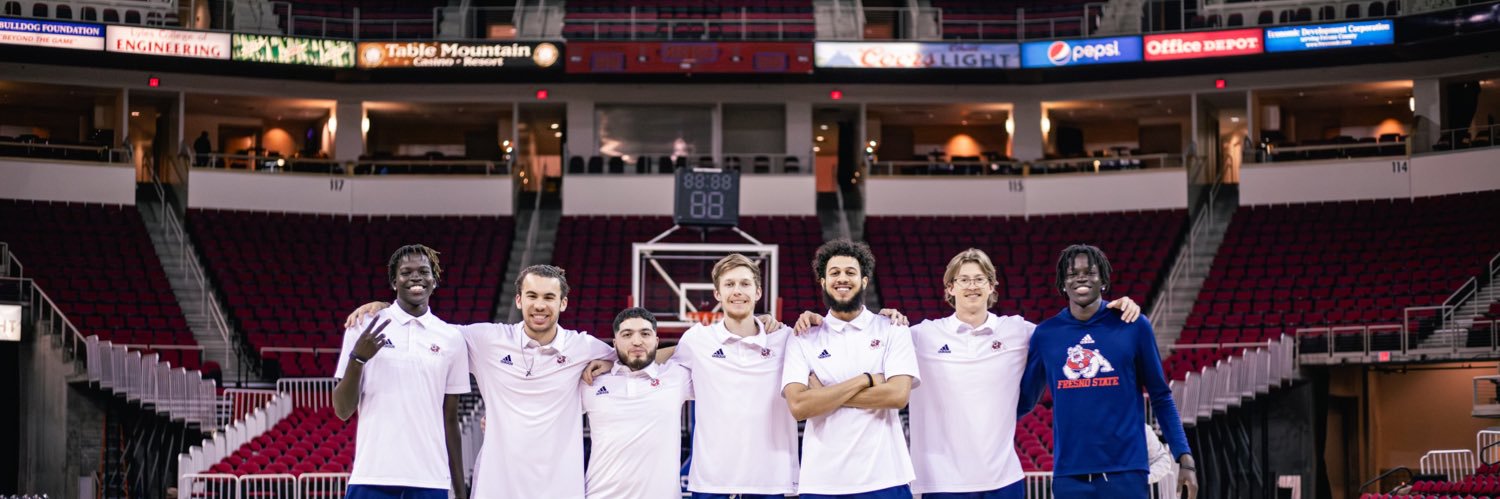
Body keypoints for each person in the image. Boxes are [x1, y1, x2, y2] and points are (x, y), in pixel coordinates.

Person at [793, 248, 1139, 499]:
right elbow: (860, 332)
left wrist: (1112, 309)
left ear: (992, 287)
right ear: (949, 289)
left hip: (1004, 480)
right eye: (963, 279)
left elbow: (1072, 332)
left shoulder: (1020, 331)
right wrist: (809, 320)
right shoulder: (918, 334)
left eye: (980, 279)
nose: (972, 286)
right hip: (941, 483)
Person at [346, 264, 617, 499]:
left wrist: (610, 361)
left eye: (549, 297)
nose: (540, 305)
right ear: (519, 300)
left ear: (563, 303)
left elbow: (645, 356)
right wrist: (389, 308)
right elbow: (427, 328)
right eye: (532, 295)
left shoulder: (585, 347)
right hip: (495, 486)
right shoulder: (488, 340)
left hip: (560, 488)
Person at [1019, 244, 1197, 499]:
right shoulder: (1046, 335)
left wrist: (1185, 457)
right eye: (1072, 273)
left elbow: (1160, 396)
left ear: (1103, 279)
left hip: (1126, 474)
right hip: (1070, 478)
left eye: (1089, 272)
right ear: (1062, 283)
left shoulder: (1133, 325)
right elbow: (1024, 401)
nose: (1081, 277)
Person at [781, 239, 919, 499]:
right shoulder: (802, 336)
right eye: (834, 273)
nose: (842, 278)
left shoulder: (893, 329)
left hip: (886, 477)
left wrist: (824, 396)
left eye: (850, 272)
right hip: (822, 482)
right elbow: (799, 407)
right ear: (822, 282)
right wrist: (867, 379)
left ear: (864, 281)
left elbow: (898, 396)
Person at [333, 244, 469, 499]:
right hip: (372, 475)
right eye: (406, 272)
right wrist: (357, 359)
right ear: (394, 282)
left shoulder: (452, 338)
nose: (415, 277)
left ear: (434, 280)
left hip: (430, 479)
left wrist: (461, 492)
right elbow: (342, 410)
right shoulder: (363, 324)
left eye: (423, 271)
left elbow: (450, 420)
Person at [661, 254, 799, 498]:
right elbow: (649, 361)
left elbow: (828, 343)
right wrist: (610, 359)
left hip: (770, 479)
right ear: (717, 294)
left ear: (758, 292)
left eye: (745, 284)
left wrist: (885, 319)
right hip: (712, 480)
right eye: (729, 284)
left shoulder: (786, 339)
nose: (737, 291)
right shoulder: (696, 340)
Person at [580, 307, 693, 498]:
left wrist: (761, 320)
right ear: (614, 343)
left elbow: (706, 348)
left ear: (656, 341)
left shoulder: (676, 376)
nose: (637, 341)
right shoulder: (590, 381)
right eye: (627, 334)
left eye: (645, 334)